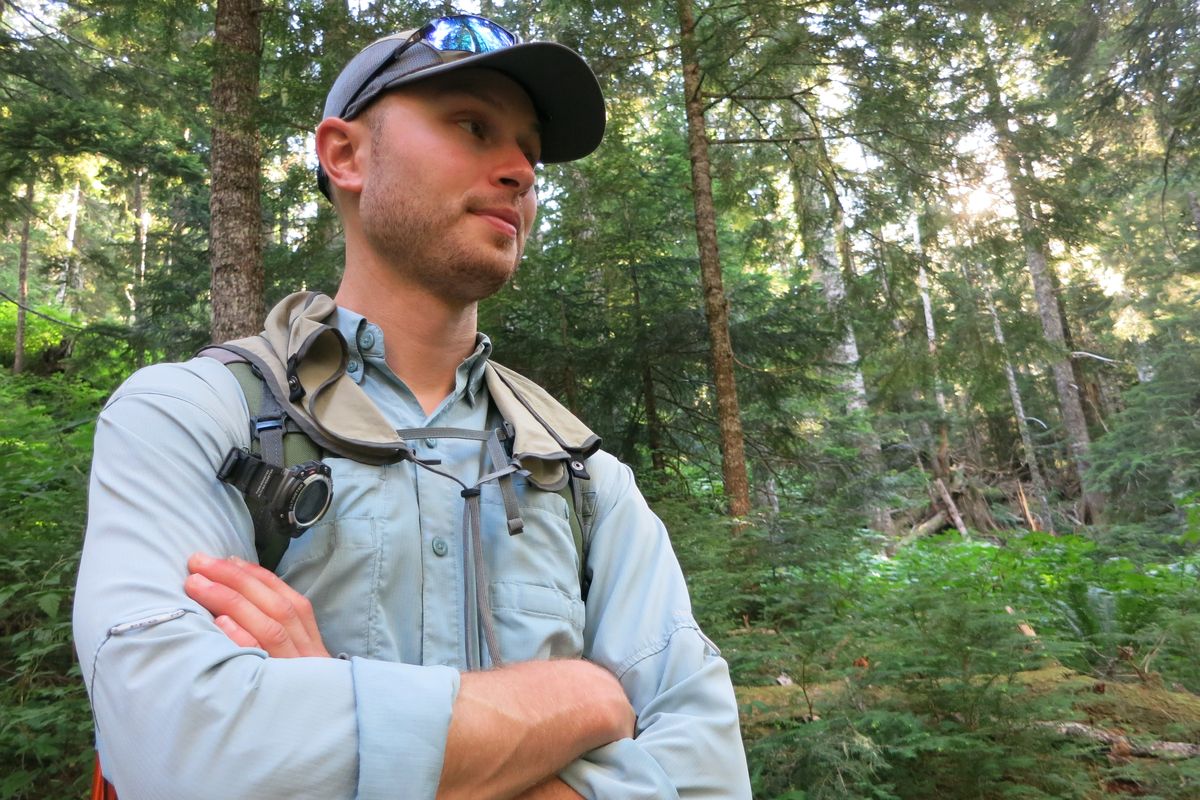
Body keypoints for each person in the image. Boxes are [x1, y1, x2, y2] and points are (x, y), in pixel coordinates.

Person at [74, 14, 751, 799]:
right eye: (472, 125)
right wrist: (581, 700)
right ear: (345, 154)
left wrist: (331, 707)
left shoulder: (586, 479)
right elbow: (182, 751)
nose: (521, 172)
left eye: (530, 151)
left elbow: (709, 777)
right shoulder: (193, 417)